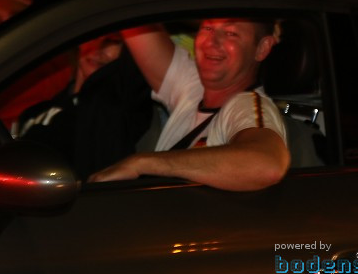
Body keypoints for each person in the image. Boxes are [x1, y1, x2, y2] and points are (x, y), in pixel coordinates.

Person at [88, 17, 290, 191]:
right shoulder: (193, 87)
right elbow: (130, 10)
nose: (212, 42)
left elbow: (267, 165)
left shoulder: (246, 105)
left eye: (231, 33)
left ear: (262, 48)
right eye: (207, 28)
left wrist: (140, 163)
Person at [12, 32, 152, 179]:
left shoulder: (117, 109)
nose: (98, 48)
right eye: (94, 36)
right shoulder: (34, 111)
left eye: (112, 41)